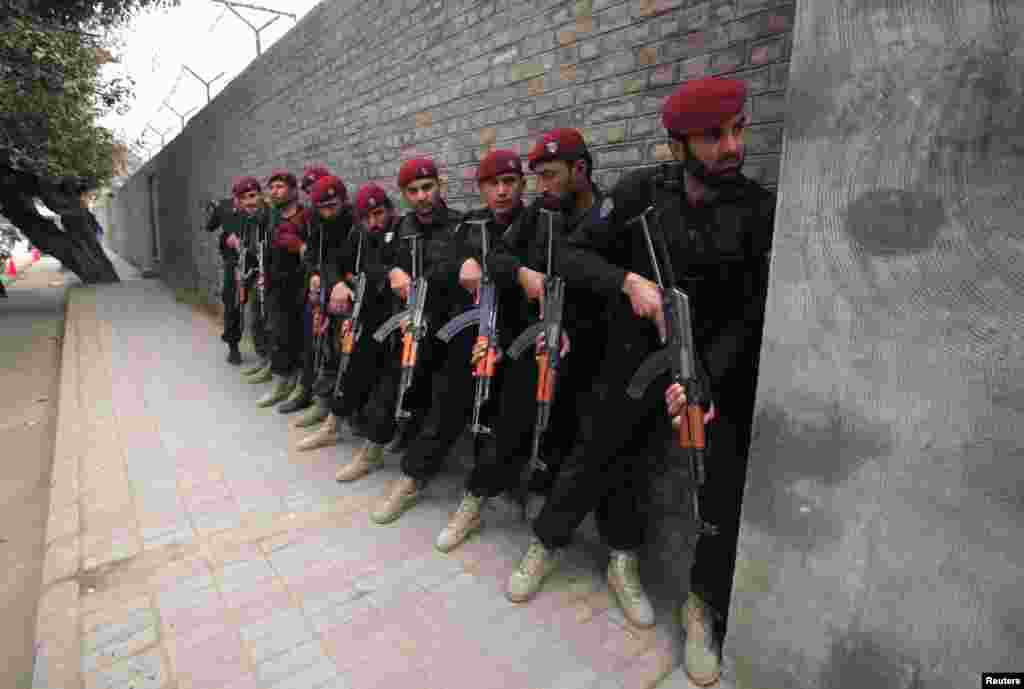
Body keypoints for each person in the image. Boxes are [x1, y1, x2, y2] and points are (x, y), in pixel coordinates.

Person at [504, 77, 774, 682]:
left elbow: (753, 310)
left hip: (714, 369)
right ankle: (550, 543)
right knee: (599, 449)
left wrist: (704, 381)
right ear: (679, 144)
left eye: (738, 129)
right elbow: (573, 256)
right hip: (632, 357)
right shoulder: (639, 195)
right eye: (712, 137)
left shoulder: (759, 209)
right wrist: (626, 282)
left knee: (720, 481)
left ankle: (702, 606)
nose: (731, 146)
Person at [430, 139, 609, 554]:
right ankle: (475, 499)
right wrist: (525, 273)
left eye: (547, 176)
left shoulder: (607, 213)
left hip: (589, 342)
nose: (537, 186)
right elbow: (499, 259)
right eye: (538, 177)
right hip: (537, 336)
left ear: (579, 170)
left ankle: (542, 498)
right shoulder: (538, 212)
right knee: (511, 419)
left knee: (566, 429)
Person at [368, 157, 466, 525]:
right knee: (398, 386)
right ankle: (377, 446)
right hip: (412, 330)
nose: (422, 196)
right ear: (404, 194)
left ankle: (412, 478)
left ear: (440, 185)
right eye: (413, 191)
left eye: (428, 188)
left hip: (451, 330)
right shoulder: (398, 230)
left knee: (443, 401)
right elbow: (373, 265)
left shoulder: (461, 226)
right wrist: (392, 270)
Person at [297, 183, 404, 475]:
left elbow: (387, 269)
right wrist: (337, 283)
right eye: (366, 216)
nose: (373, 222)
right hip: (366, 319)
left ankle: (374, 451)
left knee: (389, 388)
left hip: (399, 325)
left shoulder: (404, 232)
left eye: (378, 213)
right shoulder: (359, 234)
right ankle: (333, 425)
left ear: (390, 210)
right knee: (350, 371)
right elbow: (334, 263)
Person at [278, 173, 353, 415]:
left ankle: (330, 406)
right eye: (322, 208)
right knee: (312, 345)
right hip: (318, 294)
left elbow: (340, 263)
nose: (328, 213)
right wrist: (313, 273)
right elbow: (311, 255)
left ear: (343, 200)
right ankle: (307, 392)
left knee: (337, 351)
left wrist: (329, 277)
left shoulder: (354, 224)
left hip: (345, 297)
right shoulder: (317, 223)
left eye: (333, 206)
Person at [255, 170, 310, 408]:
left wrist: (299, 245)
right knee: (278, 335)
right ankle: (281, 382)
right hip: (275, 285)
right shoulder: (273, 217)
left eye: (279, 186)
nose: (274, 191)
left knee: (297, 337)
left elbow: (315, 253)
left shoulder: (305, 217)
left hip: (299, 286)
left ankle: (295, 384)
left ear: (294, 190)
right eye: (272, 187)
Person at [205, 177, 265, 365]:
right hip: (236, 263)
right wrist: (226, 237)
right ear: (235, 198)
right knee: (232, 303)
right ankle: (233, 346)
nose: (246, 202)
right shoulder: (223, 208)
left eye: (252, 195)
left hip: (259, 262)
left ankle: (264, 351)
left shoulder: (263, 210)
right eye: (241, 199)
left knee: (262, 306)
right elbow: (210, 226)